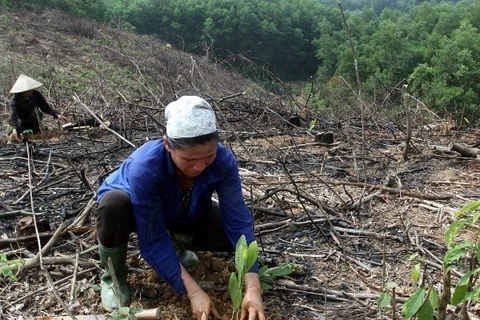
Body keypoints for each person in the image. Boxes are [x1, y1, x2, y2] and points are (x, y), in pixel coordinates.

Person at [95, 96, 265, 320]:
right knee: (113, 206)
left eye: (208, 157)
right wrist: (194, 292)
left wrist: (253, 287)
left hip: (183, 210)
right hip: (137, 213)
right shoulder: (146, 167)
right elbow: (151, 239)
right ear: (167, 144)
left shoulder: (223, 161)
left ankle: (176, 246)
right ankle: (113, 277)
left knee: (226, 234)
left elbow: (237, 220)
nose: (199, 167)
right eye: (189, 159)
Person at [8, 74, 68, 140]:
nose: (31, 91)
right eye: (29, 90)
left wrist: (56, 114)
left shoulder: (36, 94)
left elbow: (45, 107)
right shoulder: (15, 100)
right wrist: (15, 128)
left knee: (38, 113)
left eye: (31, 89)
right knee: (19, 123)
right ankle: (19, 135)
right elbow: (13, 116)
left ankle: (36, 133)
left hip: (33, 121)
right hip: (21, 122)